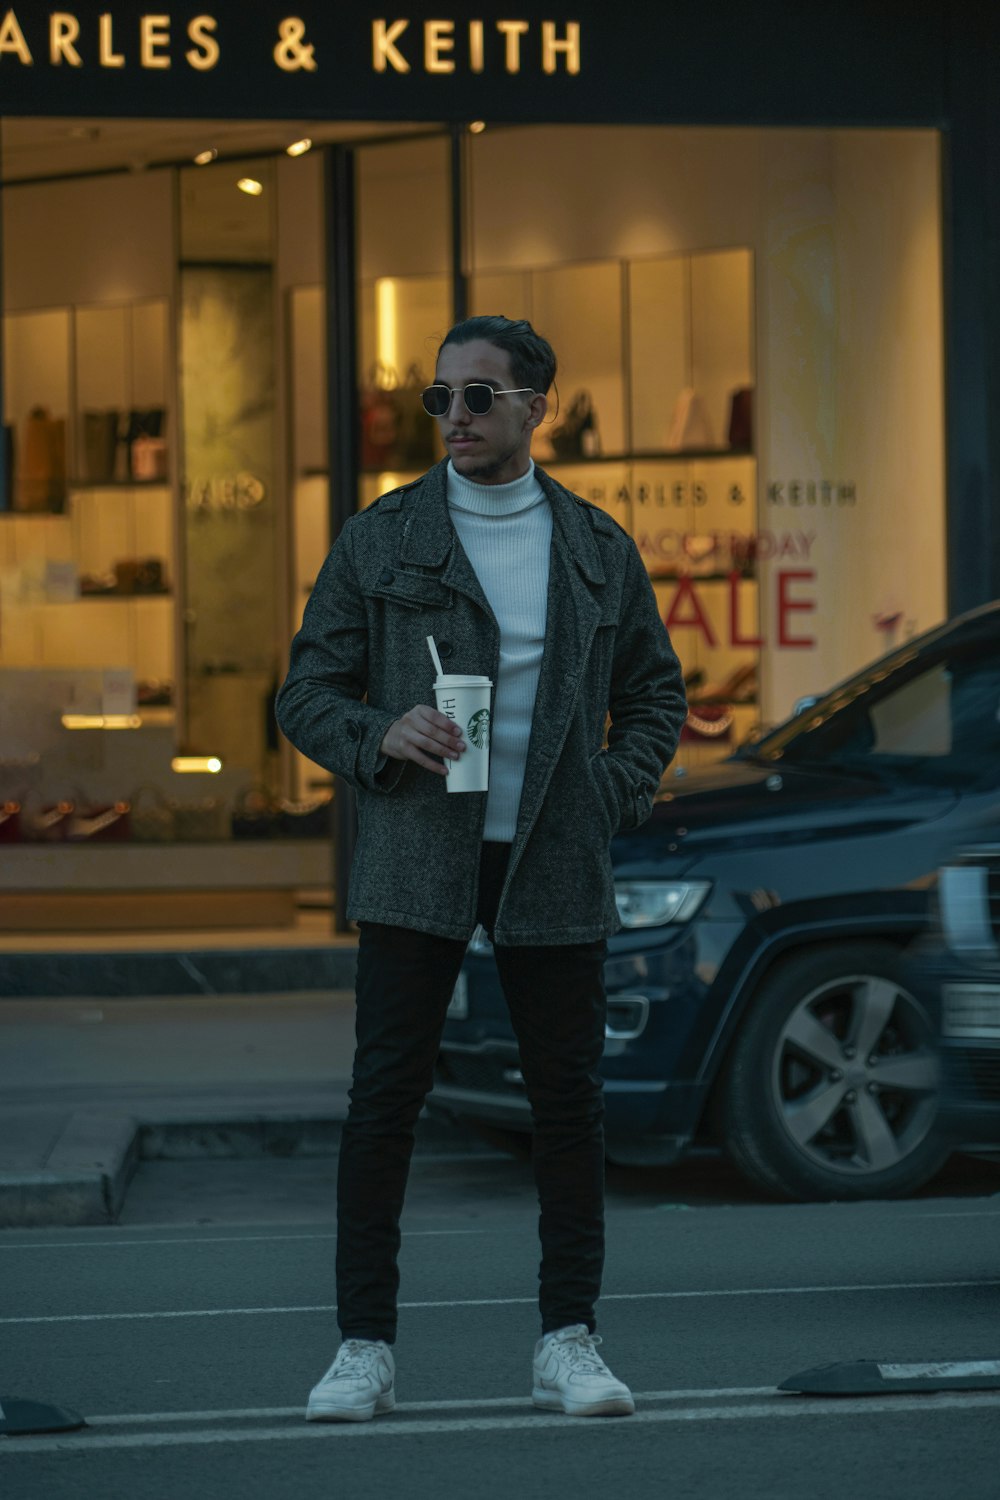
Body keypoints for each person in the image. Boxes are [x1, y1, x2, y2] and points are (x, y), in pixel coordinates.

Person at [276, 315, 687, 1423]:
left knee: (568, 1107)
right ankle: (363, 1348)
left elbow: (655, 698)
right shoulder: (382, 537)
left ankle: (569, 1339)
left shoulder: (596, 546)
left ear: (535, 407)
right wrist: (378, 736)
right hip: (417, 853)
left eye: (477, 397)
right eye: (440, 397)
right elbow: (303, 693)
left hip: (552, 857)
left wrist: (606, 797)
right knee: (383, 1104)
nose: (453, 417)